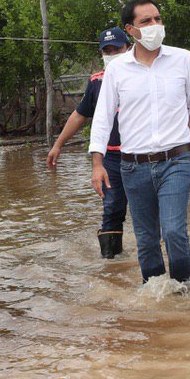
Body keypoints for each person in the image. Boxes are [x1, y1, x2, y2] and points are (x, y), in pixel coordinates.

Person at [90, 0, 190, 286]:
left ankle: (185, 290)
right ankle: (155, 295)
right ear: (130, 29)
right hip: (132, 167)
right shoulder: (117, 69)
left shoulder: (183, 59)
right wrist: (97, 163)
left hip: (177, 159)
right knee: (146, 238)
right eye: (146, 21)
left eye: (157, 19)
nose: (155, 25)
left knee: (173, 231)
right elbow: (103, 118)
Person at [47, 27, 132, 258]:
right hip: (111, 157)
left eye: (117, 49)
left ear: (129, 48)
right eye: (108, 50)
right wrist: (58, 144)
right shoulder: (97, 81)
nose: (112, 54)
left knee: (152, 210)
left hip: (142, 154)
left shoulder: (143, 74)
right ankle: (112, 264)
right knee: (112, 208)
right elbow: (80, 115)